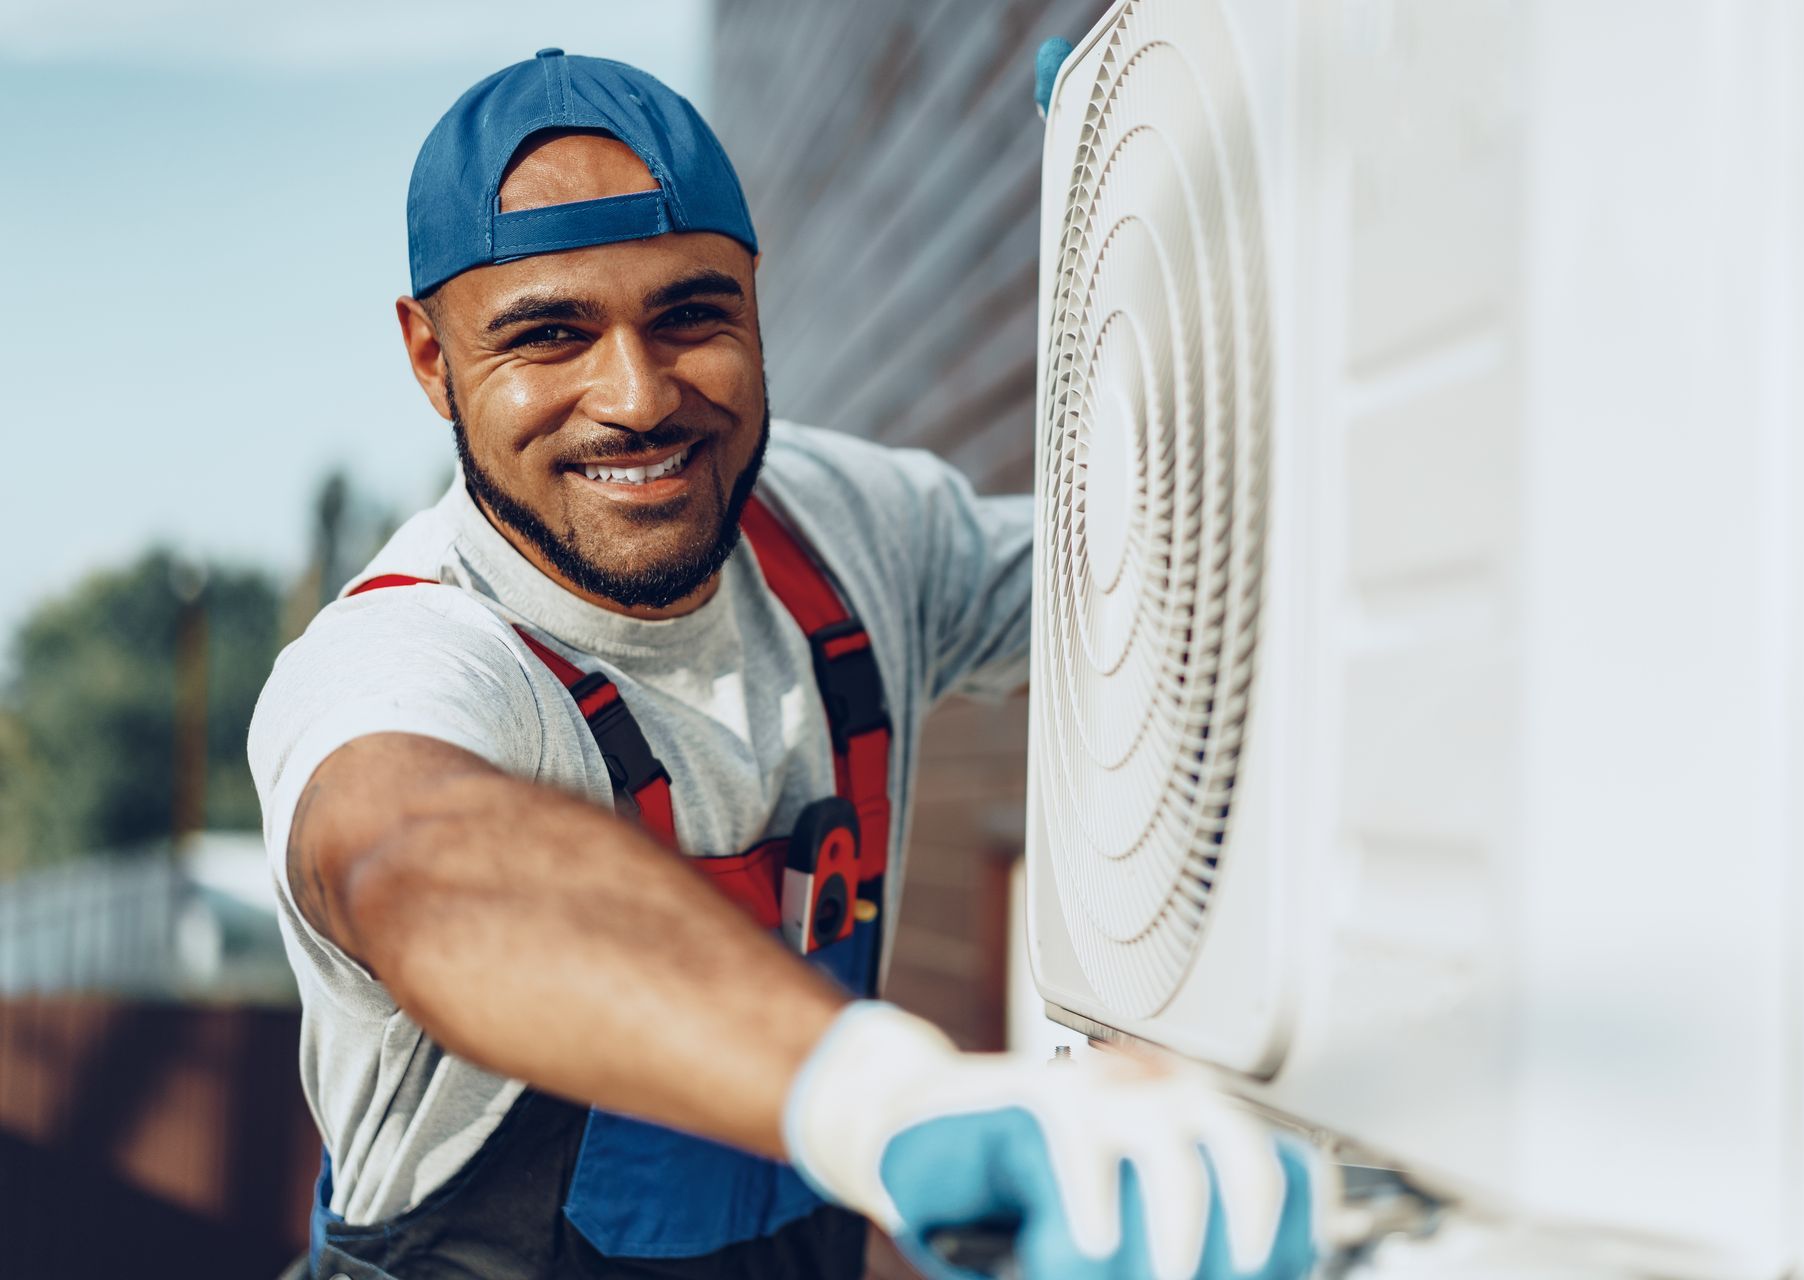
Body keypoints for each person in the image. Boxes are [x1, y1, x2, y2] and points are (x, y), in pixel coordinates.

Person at [250, 48, 1319, 1280]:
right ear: (432, 358)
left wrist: (1160, 178)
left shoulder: (853, 533)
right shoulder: (409, 652)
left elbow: (1196, 574)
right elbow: (414, 857)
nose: (637, 396)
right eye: (549, 335)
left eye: (690, 315)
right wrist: (886, 1100)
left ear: (758, 300)